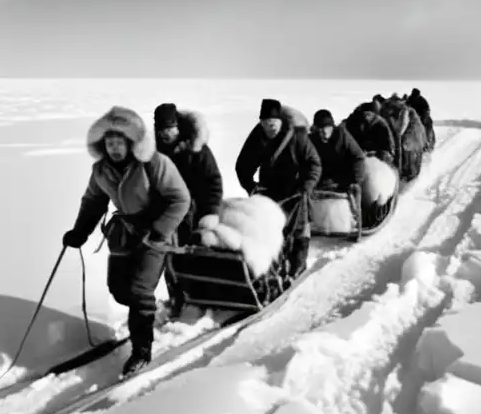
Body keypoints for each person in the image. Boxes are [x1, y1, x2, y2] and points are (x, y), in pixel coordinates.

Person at [62, 105, 191, 378]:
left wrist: (159, 230)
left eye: (120, 142)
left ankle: (141, 351)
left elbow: (180, 199)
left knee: (139, 291)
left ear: (131, 143)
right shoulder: (101, 170)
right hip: (123, 235)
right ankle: (145, 312)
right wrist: (79, 231)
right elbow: (93, 201)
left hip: (155, 234)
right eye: (110, 143)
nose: (115, 149)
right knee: (119, 289)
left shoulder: (154, 163)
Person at [234, 98, 322, 276]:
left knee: (299, 228)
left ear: (281, 121)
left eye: (273, 122)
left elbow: (314, 164)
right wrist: (251, 187)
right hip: (269, 189)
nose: (270, 126)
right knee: (270, 229)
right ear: (261, 123)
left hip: (296, 189)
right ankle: (272, 268)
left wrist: (307, 185)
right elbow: (242, 166)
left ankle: (298, 266)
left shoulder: (298, 136)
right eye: (266, 122)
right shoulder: (257, 137)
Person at [153, 103, 223, 246]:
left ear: (178, 127)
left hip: (194, 216)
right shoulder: (153, 154)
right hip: (164, 218)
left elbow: (213, 183)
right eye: (161, 129)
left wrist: (210, 213)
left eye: (169, 128)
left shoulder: (198, 152)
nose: (165, 133)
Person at [309, 109, 367, 192]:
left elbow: (358, 157)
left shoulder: (342, 135)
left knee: (357, 191)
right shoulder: (312, 139)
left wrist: (355, 181)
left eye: (328, 128)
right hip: (322, 180)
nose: (325, 132)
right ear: (316, 129)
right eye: (321, 129)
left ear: (332, 127)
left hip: (344, 179)